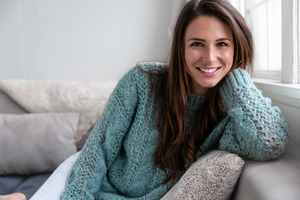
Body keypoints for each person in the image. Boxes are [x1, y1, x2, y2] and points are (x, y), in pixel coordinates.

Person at [3, 0, 288, 199]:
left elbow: (270, 143)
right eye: (197, 44)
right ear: (181, 48)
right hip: (87, 177)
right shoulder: (143, 79)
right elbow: (98, 150)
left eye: (222, 44)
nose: (210, 57)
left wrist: (236, 77)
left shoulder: (231, 110)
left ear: (237, 47)